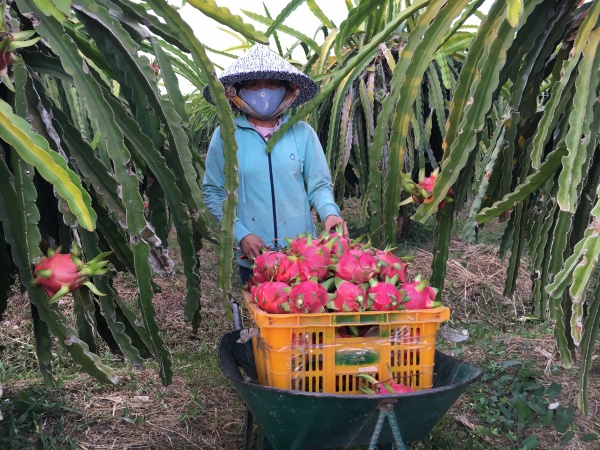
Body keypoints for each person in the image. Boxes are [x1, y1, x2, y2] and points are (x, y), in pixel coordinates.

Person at [202, 44, 348, 284]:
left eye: (271, 84)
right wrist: (241, 234)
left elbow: (318, 185)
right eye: (253, 85)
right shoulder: (226, 135)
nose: (263, 91)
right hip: (254, 254)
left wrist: (330, 213)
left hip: (304, 254)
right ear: (236, 91)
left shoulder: (302, 133)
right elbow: (214, 192)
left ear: (286, 90)